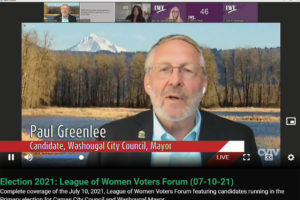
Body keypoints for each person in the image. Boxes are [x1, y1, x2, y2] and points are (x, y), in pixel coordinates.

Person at [87, 35, 261, 167]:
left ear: (204, 85)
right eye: (164, 69)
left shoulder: (238, 140)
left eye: (187, 70)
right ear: (147, 83)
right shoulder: (110, 139)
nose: (175, 80)